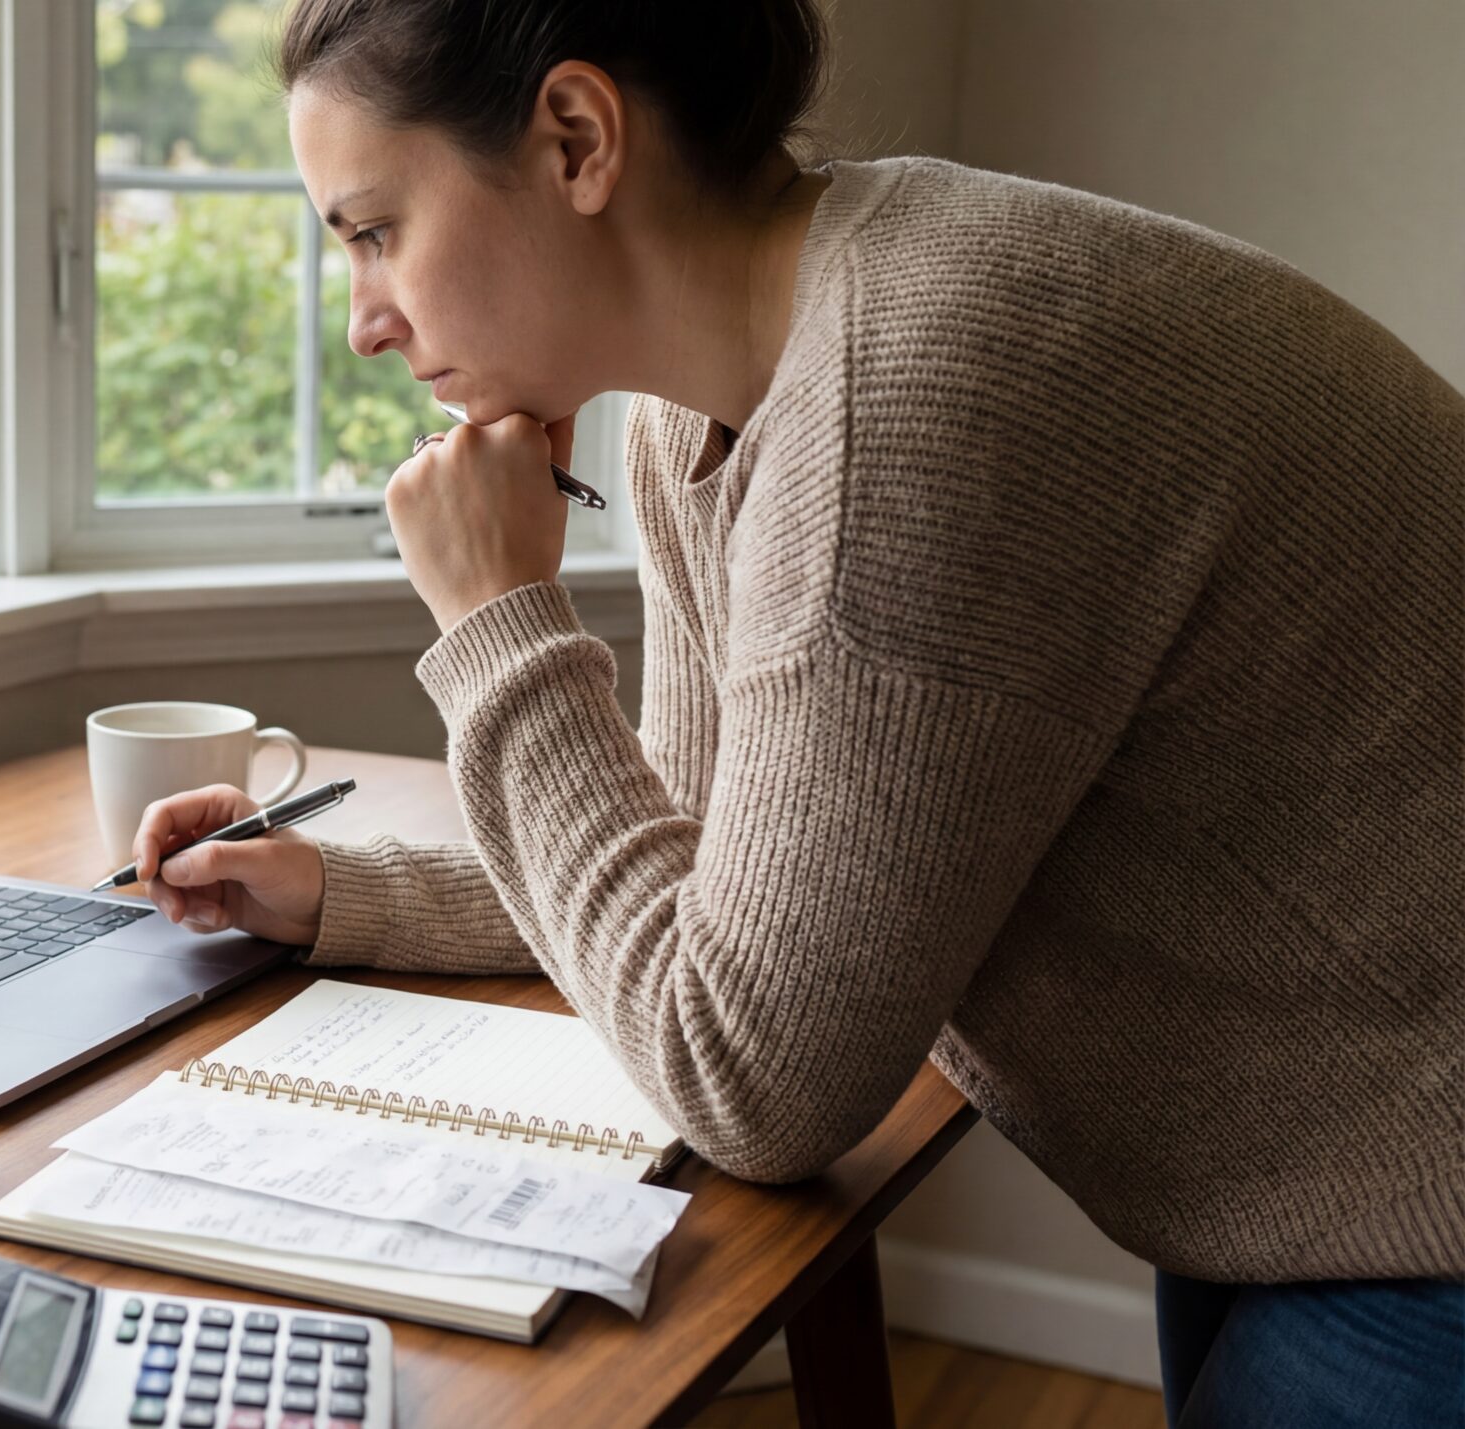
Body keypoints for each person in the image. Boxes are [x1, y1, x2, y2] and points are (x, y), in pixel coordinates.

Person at [124, 1, 1465, 1423]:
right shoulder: (713, 400)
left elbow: (752, 1082)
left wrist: (500, 625)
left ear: (578, 139)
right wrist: (342, 889)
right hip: (1327, 1168)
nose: (365, 322)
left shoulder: (909, 398)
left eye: (372, 229)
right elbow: (704, 867)